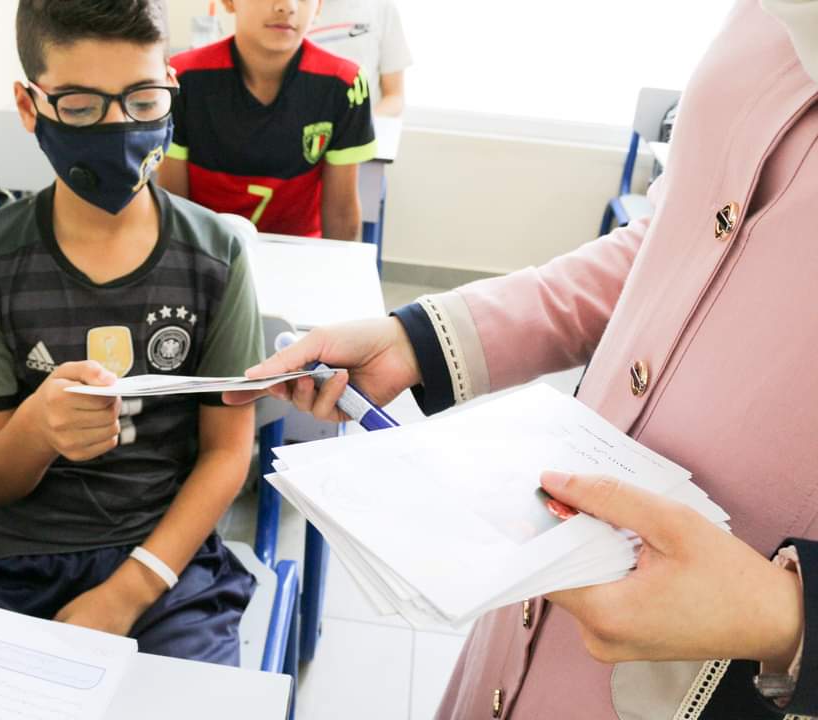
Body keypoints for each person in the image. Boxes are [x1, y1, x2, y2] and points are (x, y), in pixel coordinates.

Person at [225, 0, 818, 715]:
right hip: (544, 579)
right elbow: (673, 241)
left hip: (724, 678)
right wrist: (420, 338)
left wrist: (787, 617)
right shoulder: (764, 18)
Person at [0, 0, 264, 667]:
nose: (119, 128)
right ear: (30, 106)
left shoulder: (217, 256)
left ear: (170, 86)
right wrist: (37, 429)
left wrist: (128, 592)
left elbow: (228, 454)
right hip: (16, 560)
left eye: (143, 101)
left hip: (166, 561)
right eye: (82, 107)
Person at [157, 0, 377, 240]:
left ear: (319, 6)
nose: (287, 6)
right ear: (229, 3)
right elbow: (173, 203)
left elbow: (341, 213)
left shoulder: (344, 83)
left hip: (301, 252)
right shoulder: (182, 79)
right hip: (206, 250)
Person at [307, 0, 412, 116]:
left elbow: (394, 96)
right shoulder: (300, 9)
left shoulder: (381, 7)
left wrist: (362, 123)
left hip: (369, 122)